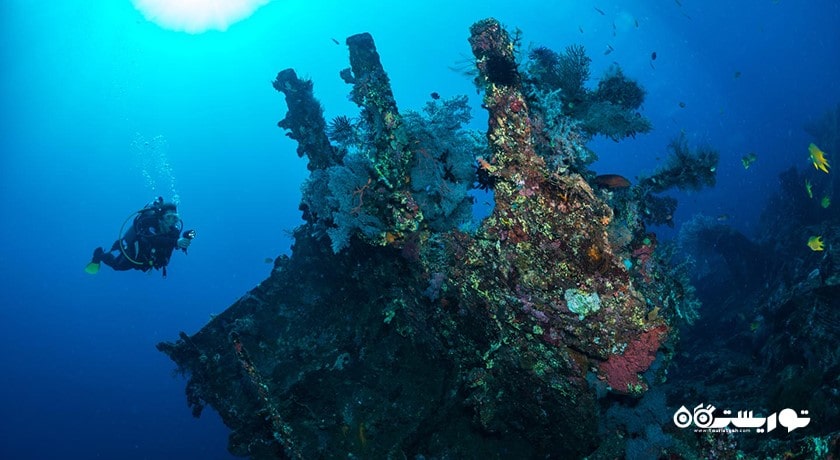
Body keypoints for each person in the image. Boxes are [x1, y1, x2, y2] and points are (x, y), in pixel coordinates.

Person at [85, 197, 193, 277]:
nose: (172, 222)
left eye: (175, 218)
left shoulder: (173, 231)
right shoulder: (149, 224)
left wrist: (187, 238)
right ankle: (99, 255)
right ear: (160, 218)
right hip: (134, 254)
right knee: (117, 266)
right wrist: (176, 242)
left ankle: (113, 249)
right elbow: (154, 240)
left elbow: (175, 243)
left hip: (148, 260)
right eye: (169, 217)